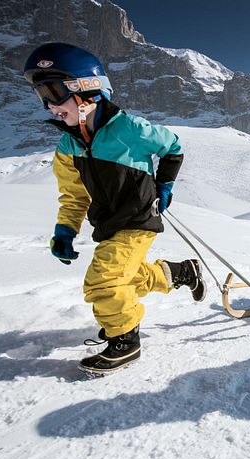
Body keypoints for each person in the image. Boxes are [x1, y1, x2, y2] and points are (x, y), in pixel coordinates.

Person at [23, 42, 206, 374]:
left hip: (138, 217)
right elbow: (73, 196)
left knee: (103, 281)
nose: (49, 105)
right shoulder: (68, 147)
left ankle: (125, 340)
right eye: (41, 95)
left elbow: (172, 147)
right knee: (128, 278)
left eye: (54, 91)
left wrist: (164, 184)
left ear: (86, 88)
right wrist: (65, 230)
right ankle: (181, 273)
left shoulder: (129, 129)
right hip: (108, 222)